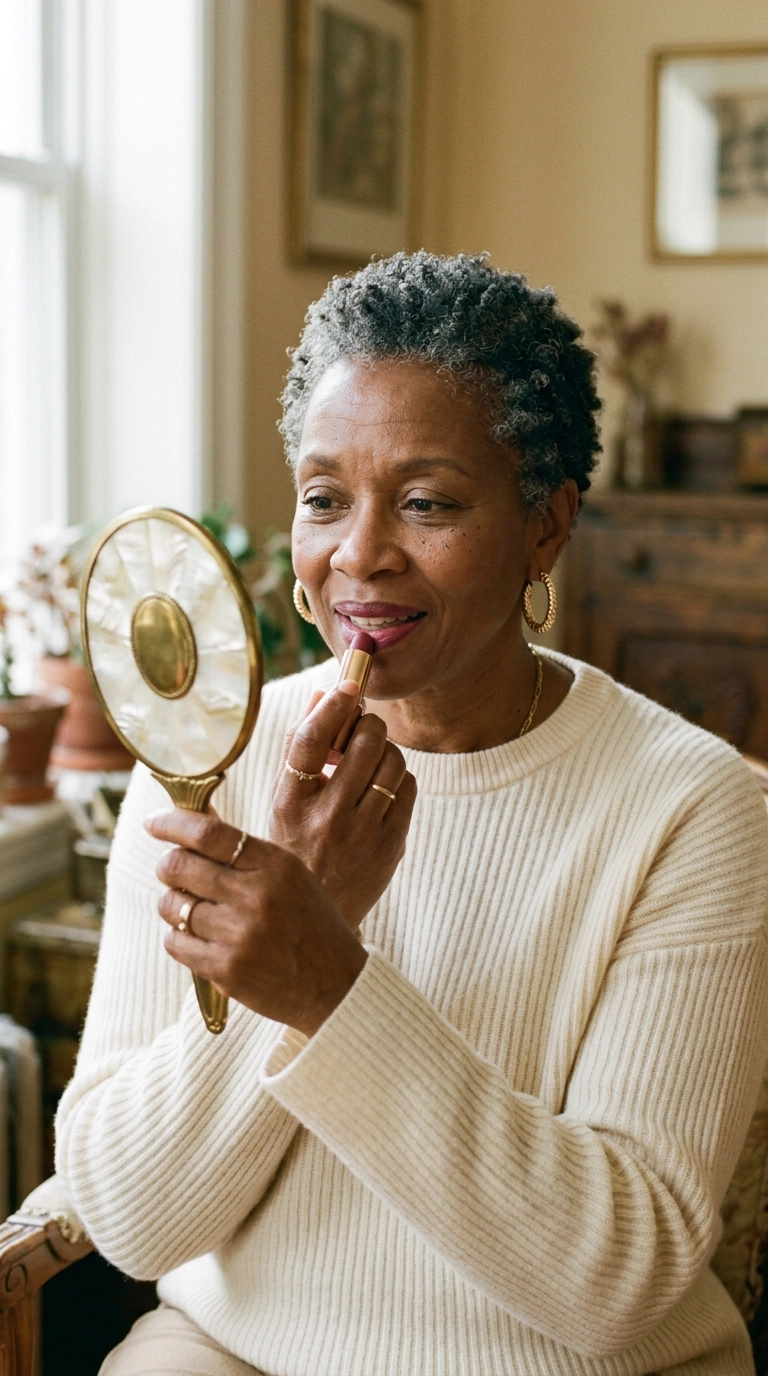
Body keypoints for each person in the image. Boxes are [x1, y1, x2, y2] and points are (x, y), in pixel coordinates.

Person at [57, 252, 768, 1376]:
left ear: (547, 527)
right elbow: (133, 1220)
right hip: (239, 1354)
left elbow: (621, 1281)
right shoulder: (204, 763)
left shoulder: (695, 807)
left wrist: (325, 977)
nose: (360, 554)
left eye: (429, 501)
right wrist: (290, 920)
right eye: (324, 498)